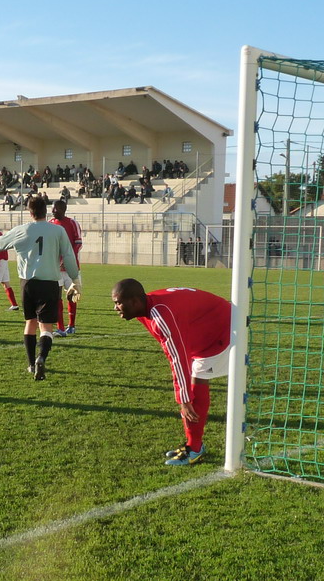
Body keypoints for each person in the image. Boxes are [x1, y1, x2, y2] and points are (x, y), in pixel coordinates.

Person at [111, 278, 230, 466]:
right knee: (193, 378)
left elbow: (177, 358)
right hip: (212, 324)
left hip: (223, 329)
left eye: (118, 303)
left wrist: (184, 398)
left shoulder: (160, 316)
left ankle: (195, 448)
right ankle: (194, 444)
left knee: (196, 381)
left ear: (134, 301)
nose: (116, 308)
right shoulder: (146, 309)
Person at [0, 197, 81, 381]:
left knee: (30, 323)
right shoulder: (58, 230)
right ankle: (41, 357)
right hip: (51, 282)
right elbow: (68, 255)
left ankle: (31, 364)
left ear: (30, 212)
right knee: (47, 327)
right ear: (46, 211)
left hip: (28, 284)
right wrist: (75, 280)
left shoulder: (22, 230)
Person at [49, 199, 82, 336]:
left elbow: (78, 243)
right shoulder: (50, 224)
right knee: (56, 298)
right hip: (55, 269)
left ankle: (71, 325)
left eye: (55, 208)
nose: (52, 211)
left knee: (72, 296)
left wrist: (67, 260)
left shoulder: (72, 223)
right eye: (52, 208)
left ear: (63, 209)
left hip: (70, 269)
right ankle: (60, 328)